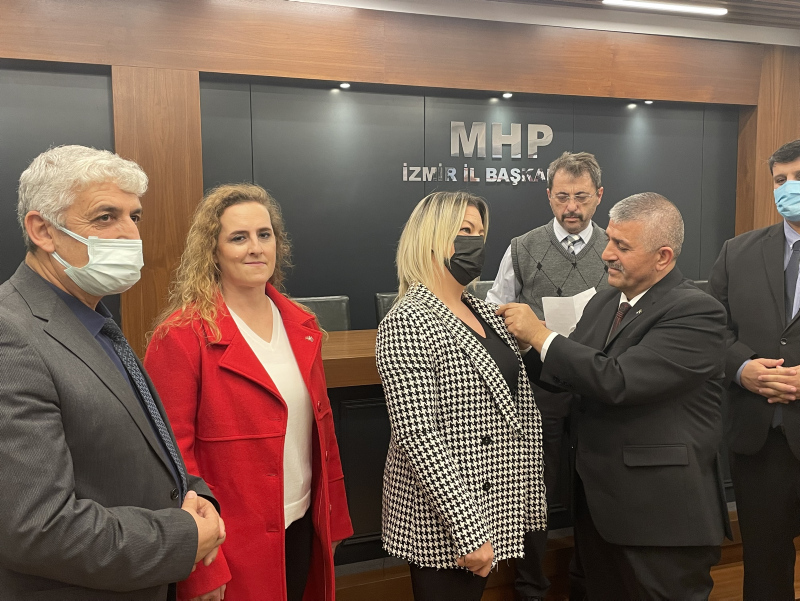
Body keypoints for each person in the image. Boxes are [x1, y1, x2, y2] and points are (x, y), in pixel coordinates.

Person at [0, 145, 225, 600]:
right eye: (105, 217)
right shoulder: (12, 336)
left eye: (134, 216)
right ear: (42, 230)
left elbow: (141, 442)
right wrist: (182, 535)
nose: (129, 234)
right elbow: (37, 527)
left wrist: (196, 495)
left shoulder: (91, 318)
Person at [499, 193, 730, 600]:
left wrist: (540, 334)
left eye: (622, 246)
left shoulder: (696, 312)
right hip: (600, 507)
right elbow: (575, 376)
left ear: (662, 257)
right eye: (609, 240)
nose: (606, 253)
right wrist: (526, 349)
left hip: (659, 518)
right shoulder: (606, 299)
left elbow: (617, 380)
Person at [144, 183, 353, 601]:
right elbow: (170, 461)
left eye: (264, 234)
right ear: (213, 251)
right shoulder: (181, 335)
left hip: (302, 524)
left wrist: (335, 521)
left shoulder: (303, 326)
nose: (255, 248)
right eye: (238, 238)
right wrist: (199, 566)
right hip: (228, 543)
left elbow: (323, 432)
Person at [377, 191, 547, 601]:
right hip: (448, 519)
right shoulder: (406, 320)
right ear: (432, 237)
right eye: (464, 231)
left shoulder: (486, 312)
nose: (476, 242)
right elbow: (419, 437)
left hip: (494, 502)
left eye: (480, 233)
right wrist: (468, 530)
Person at [486, 151, 609, 601]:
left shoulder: (615, 246)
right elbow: (495, 312)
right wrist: (525, 334)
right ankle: (531, 588)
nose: (571, 207)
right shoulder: (522, 246)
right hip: (539, 387)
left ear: (599, 196)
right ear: (548, 196)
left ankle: (587, 584)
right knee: (532, 495)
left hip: (599, 386)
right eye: (562, 197)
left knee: (594, 491)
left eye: (581, 197)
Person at [709, 138, 800, 600]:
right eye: (780, 180)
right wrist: (741, 367)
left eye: (798, 177)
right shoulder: (737, 251)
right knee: (765, 566)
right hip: (760, 437)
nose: (789, 188)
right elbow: (711, 328)